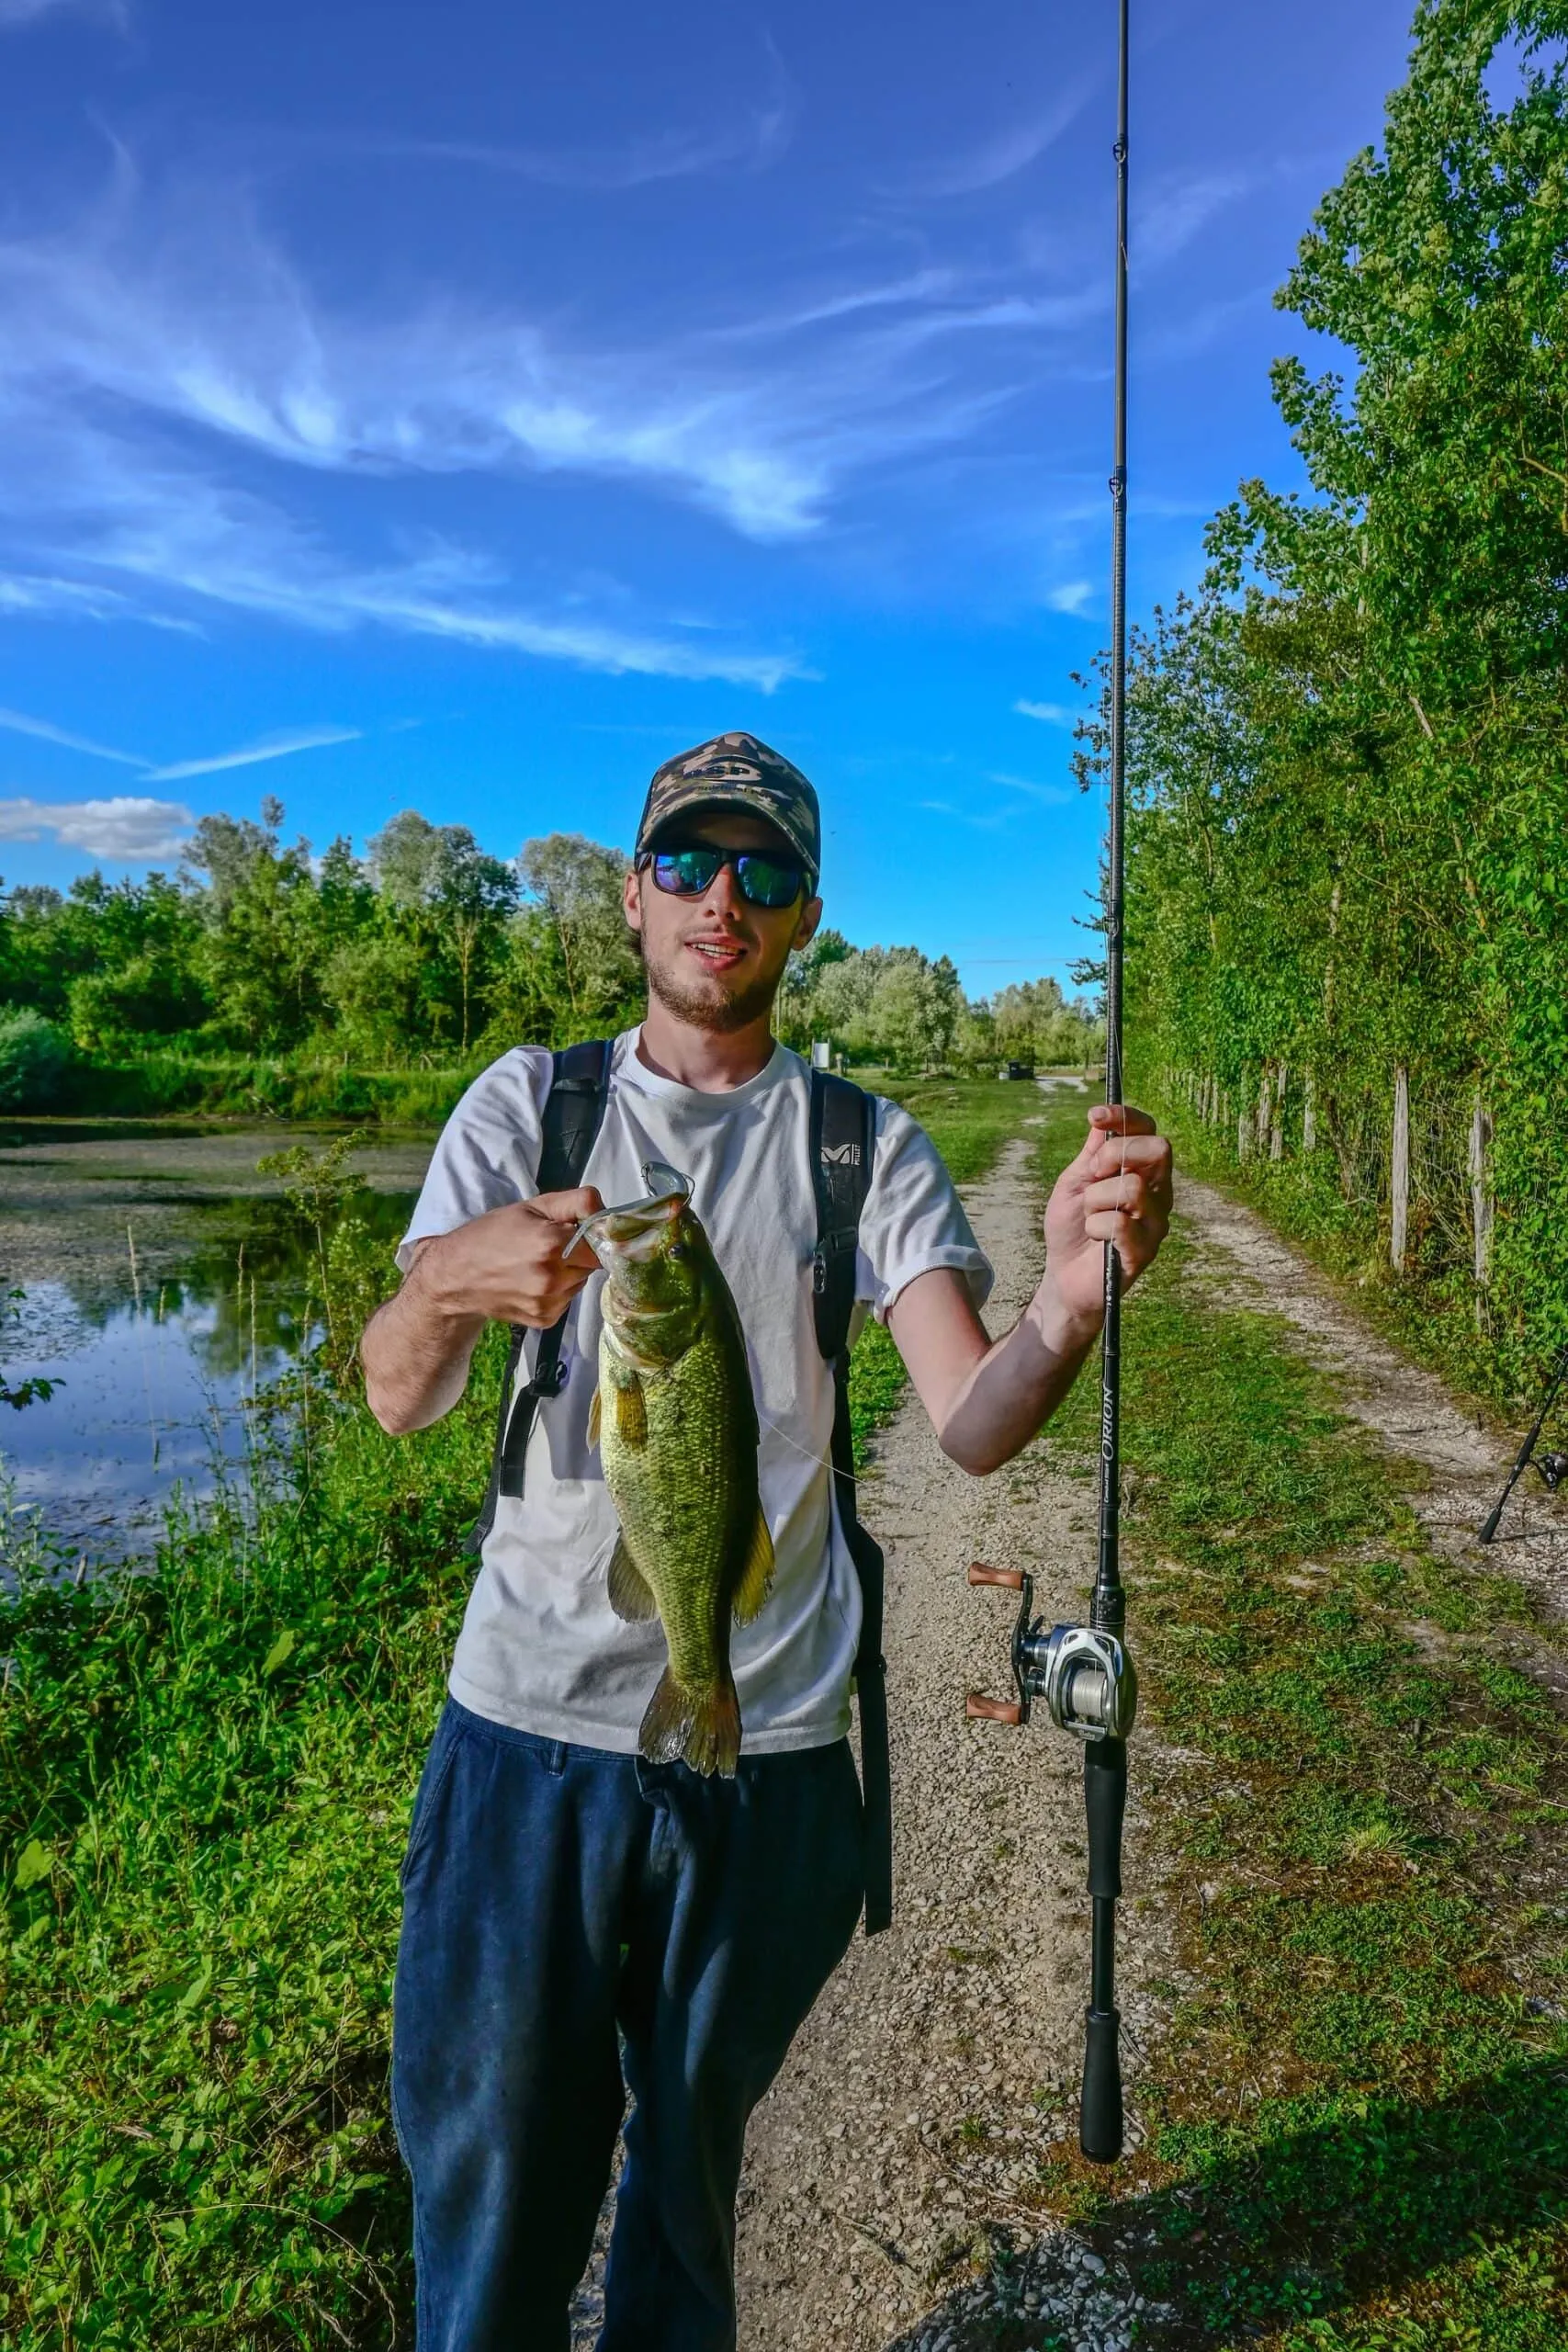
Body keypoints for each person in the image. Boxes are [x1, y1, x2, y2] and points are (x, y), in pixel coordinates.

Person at [361, 731, 1173, 2352]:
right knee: (491, 2193)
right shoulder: (528, 1104)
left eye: (764, 872)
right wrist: (451, 1281)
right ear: (630, 894)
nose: (718, 900)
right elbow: (397, 1397)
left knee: (687, 2187)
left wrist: (1073, 1301)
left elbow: (971, 1414)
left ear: (804, 918)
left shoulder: (860, 1144)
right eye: (685, 862)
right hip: (522, 1737)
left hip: (770, 1745)